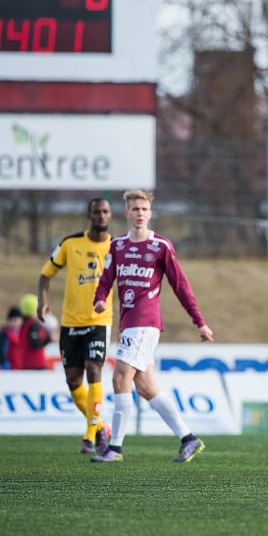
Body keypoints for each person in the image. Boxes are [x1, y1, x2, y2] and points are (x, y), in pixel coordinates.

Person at [90, 190, 214, 463]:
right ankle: (189, 439)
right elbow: (106, 278)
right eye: (135, 209)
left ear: (150, 213)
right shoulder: (118, 245)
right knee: (146, 387)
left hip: (145, 324)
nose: (140, 214)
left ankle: (115, 449)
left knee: (120, 378)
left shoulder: (161, 246)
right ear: (127, 213)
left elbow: (181, 286)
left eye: (144, 209)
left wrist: (200, 322)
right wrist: (99, 300)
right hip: (128, 323)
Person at [37, 197, 114, 454]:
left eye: (105, 212)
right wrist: (42, 302)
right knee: (73, 380)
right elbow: (46, 274)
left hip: (99, 321)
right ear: (89, 215)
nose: (101, 216)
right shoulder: (70, 243)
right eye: (97, 212)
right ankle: (101, 425)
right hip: (71, 323)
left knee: (94, 369)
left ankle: (90, 435)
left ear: (111, 216)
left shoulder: (117, 247)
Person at [16, 294, 52, 370]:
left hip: (25, 364)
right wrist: (49, 339)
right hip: (36, 365)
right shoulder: (33, 325)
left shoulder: (23, 325)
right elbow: (35, 344)